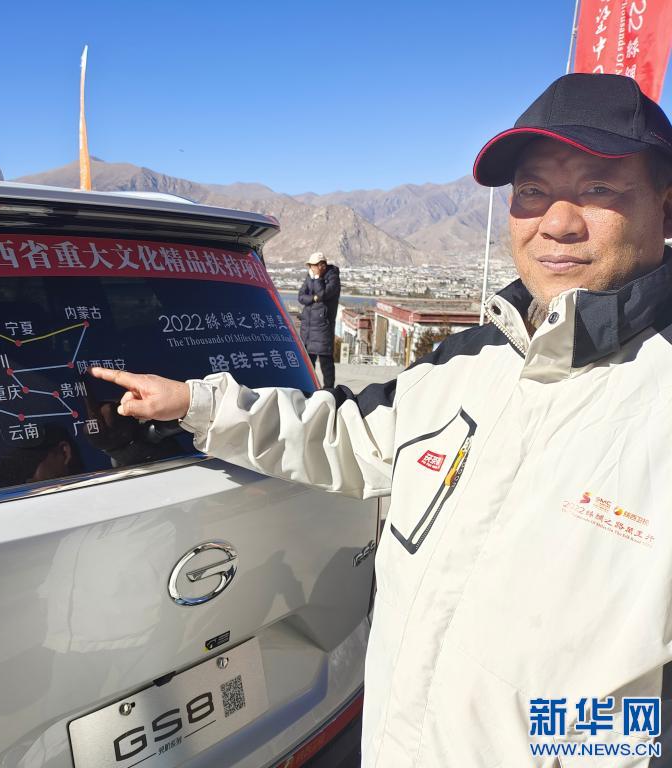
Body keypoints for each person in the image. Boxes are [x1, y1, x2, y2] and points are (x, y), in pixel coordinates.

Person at [91, 73, 672, 767]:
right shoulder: (467, 361)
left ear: (666, 207)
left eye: (599, 187)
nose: (557, 222)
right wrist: (197, 404)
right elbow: (345, 437)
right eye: (532, 191)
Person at [297, 251, 340, 388]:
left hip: (323, 326)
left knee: (326, 362)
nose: (311, 268)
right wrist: (313, 298)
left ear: (322, 265)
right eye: (310, 265)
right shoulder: (310, 276)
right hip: (308, 327)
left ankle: (329, 390)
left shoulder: (333, 278)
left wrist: (317, 279)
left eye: (313, 265)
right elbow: (301, 297)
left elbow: (322, 294)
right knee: (308, 363)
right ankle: (309, 388)